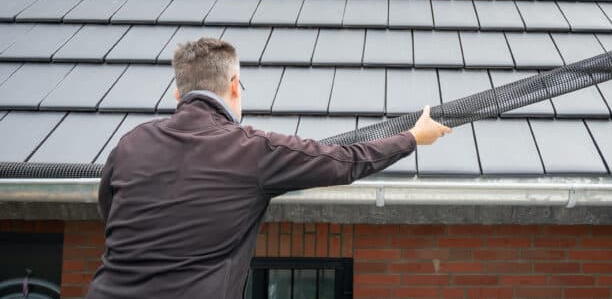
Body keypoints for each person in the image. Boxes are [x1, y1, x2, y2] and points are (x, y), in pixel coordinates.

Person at [85, 37, 451, 299]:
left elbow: (109, 211)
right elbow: (344, 161)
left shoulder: (130, 143)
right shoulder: (253, 150)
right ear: (234, 87)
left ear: (178, 95)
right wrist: (414, 137)